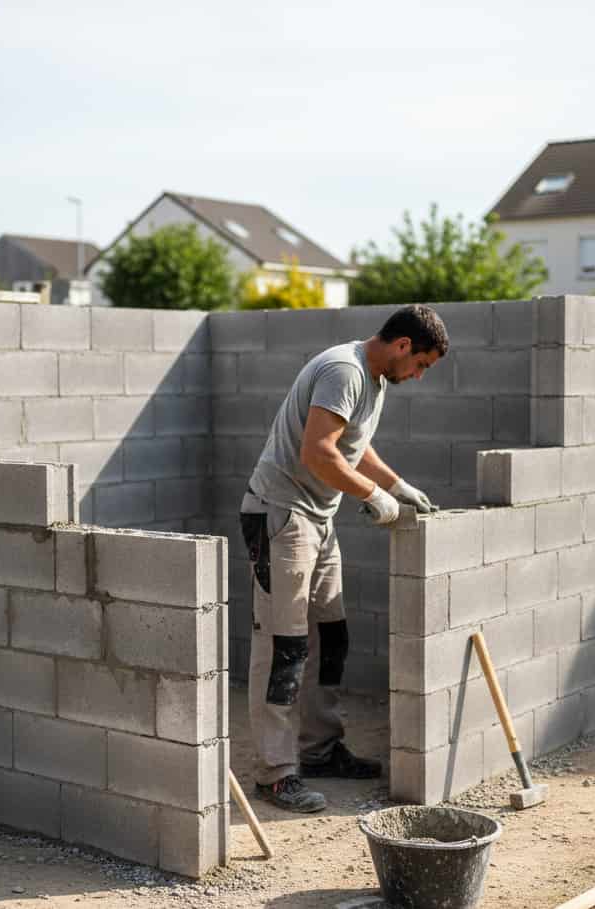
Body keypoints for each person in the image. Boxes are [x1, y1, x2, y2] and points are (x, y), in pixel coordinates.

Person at [239, 303, 450, 813]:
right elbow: (319, 452)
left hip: (317, 519)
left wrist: (395, 485)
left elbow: (353, 447)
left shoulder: (373, 379)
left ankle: (319, 750)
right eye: (421, 365)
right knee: (284, 647)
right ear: (403, 346)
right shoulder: (344, 371)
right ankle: (275, 773)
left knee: (330, 639)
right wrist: (370, 497)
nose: (418, 377)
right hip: (281, 516)